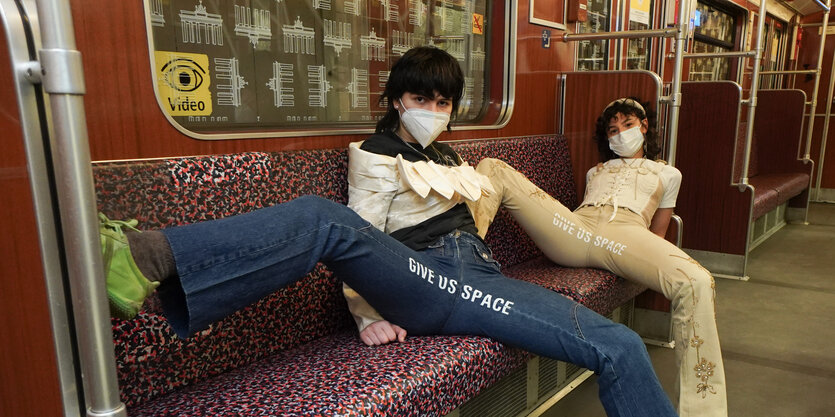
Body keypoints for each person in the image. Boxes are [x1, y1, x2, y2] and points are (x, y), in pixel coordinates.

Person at [102, 46, 676, 416]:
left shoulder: (449, 157)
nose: (432, 108)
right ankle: (144, 256)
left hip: (475, 278)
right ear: (397, 99)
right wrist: (369, 315)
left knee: (619, 343)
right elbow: (364, 234)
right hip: (423, 276)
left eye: (443, 100)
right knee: (322, 217)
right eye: (421, 97)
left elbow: (476, 218)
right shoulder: (375, 153)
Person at [464, 98, 726, 417]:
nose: (620, 134)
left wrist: (639, 260)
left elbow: (656, 234)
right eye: (613, 130)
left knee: (697, 281)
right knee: (493, 167)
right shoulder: (595, 171)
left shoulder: (668, 174)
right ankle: (460, 258)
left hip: (626, 235)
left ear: (644, 127)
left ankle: (704, 411)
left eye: (628, 125)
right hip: (576, 229)